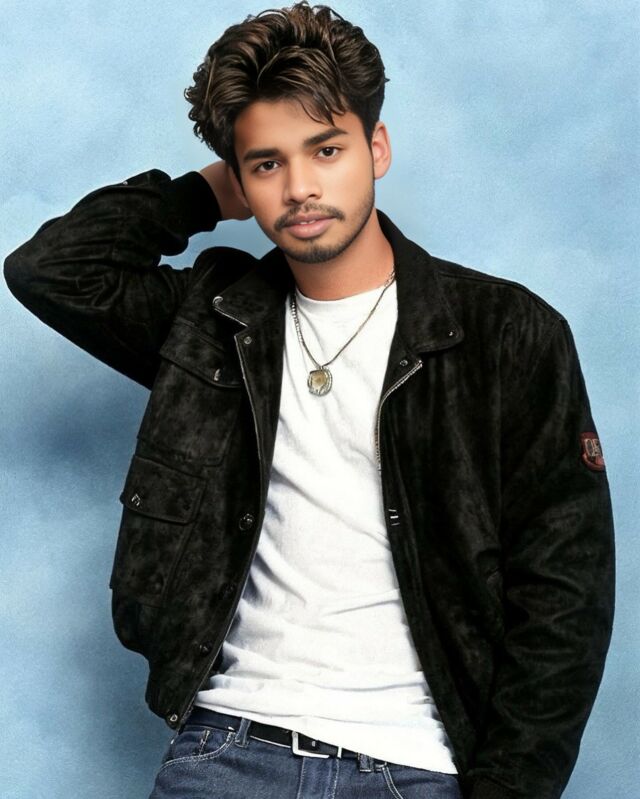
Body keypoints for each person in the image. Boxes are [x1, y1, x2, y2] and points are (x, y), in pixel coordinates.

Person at [3, 2, 615, 798]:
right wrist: (203, 194)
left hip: (419, 767)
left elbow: (566, 587)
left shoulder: (508, 332)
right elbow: (50, 270)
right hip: (226, 749)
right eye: (267, 165)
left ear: (376, 147)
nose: (299, 188)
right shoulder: (212, 325)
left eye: (326, 149)